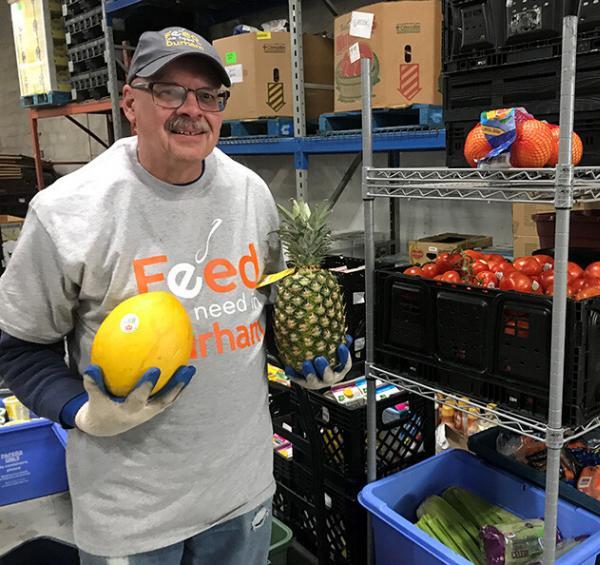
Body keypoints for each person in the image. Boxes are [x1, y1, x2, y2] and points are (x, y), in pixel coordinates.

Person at [0, 27, 349, 564]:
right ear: (130, 103)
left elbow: (260, 310)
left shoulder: (251, 194)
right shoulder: (67, 211)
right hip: (131, 512)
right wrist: (80, 412)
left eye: (209, 96)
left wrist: (302, 361)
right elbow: (20, 348)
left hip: (242, 491)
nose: (192, 110)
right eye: (169, 91)